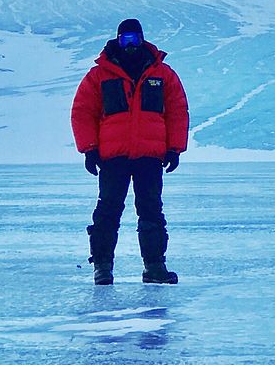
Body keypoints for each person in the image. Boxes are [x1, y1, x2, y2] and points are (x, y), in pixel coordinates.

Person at [71, 18, 189, 285]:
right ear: (118, 40)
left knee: (151, 210)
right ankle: (102, 267)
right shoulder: (99, 75)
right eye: (126, 40)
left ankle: (154, 267)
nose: (131, 45)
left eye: (135, 39)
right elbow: (82, 112)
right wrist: (89, 149)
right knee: (108, 211)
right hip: (113, 156)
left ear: (143, 38)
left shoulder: (162, 74)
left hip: (150, 155)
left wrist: (175, 148)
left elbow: (177, 111)